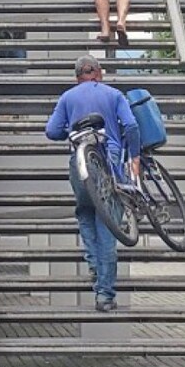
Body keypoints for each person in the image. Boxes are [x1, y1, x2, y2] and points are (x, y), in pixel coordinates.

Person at [44, 55, 141, 311]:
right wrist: (135, 156)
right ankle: (105, 295)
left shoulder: (67, 97)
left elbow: (51, 131)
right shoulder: (114, 94)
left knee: (85, 213)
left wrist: (72, 131)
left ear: (77, 77)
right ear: (99, 72)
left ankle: (95, 267)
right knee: (107, 226)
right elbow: (131, 125)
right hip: (108, 165)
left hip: (80, 166)